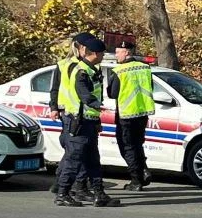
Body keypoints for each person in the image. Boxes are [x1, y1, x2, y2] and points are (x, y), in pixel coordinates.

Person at [54, 34, 120, 207]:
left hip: (89, 121)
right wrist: (98, 106)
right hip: (78, 121)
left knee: (93, 160)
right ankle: (62, 194)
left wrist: (97, 120)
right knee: (74, 159)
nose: (103, 57)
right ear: (95, 54)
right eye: (102, 54)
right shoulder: (81, 71)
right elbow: (84, 95)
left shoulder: (91, 69)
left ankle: (99, 194)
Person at [47, 32, 93, 201]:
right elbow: (55, 88)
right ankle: (73, 186)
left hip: (78, 113)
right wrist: (53, 107)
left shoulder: (86, 65)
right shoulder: (66, 65)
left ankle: (61, 183)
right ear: (78, 47)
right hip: (70, 113)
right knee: (76, 151)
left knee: (74, 151)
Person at [107, 40, 155, 192]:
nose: (116, 55)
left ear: (126, 52)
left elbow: (112, 93)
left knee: (127, 147)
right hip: (142, 113)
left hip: (126, 115)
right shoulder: (145, 68)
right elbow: (151, 87)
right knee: (137, 145)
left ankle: (136, 180)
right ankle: (143, 171)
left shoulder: (119, 71)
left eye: (118, 52)